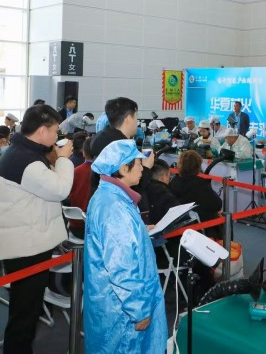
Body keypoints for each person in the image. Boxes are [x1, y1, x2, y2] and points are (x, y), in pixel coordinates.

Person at [0, 104, 74, 354]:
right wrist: (63, 160)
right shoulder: (26, 161)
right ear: (42, 131)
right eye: (55, 130)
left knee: (25, 309)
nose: (57, 136)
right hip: (26, 248)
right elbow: (60, 190)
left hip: (25, 241)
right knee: (25, 314)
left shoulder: (20, 152)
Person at [85, 140, 167, 353]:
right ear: (123, 168)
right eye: (138, 164)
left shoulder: (110, 197)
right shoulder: (114, 207)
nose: (142, 168)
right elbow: (121, 267)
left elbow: (119, 241)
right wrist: (139, 309)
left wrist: (139, 230)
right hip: (123, 312)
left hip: (115, 305)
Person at [91, 98, 155, 196]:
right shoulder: (122, 147)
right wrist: (146, 167)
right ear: (128, 118)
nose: (136, 122)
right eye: (136, 116)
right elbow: (132, 186)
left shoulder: (101, 137)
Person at [169, 150, 222, 238]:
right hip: (202, 230)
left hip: (178, 229)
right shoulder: (201, 184)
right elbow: (217, 204)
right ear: (198, 167)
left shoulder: (173, 183)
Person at [66, 138, 93, 240]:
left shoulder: (74, 171)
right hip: (92, 230)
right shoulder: (102, 173)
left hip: (74, 226)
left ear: (83, 153)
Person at [139, 159, 180, 226]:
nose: (169, 179)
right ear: (162, 177)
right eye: (168, 176)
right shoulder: (164, 193)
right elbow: (179, 215)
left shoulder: (139, 189)